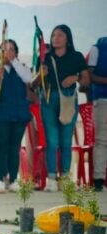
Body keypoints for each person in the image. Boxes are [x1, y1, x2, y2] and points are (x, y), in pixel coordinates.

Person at [32, 25, 90, 191]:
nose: (55, 38)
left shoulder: (76, 57)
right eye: (53, 35)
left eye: (60, 35)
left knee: (66, 141)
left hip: (69, 99)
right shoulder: (44, 57)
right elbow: (33, 84)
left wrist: (76, 77)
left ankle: (65, 177)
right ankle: (51, 179)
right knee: (52, 140)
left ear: (67, 38)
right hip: (49, 98)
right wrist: (40, 74)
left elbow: (86, 81)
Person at [0, 39, 32, 193]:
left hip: (19, 114)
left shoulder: (22, 68)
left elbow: (28, 79)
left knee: (14, 147)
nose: (7, 52)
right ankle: (0, 179)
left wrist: (15, 62)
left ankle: (13, 179)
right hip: (1, 115)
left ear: (16, 53)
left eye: (11, 49)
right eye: (4, 49)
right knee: (2, 146)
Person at [87, 37, 107, 192]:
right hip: (102, 99)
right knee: (102, 140)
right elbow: (89, 76)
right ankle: (99, 179)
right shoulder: (98, 48)